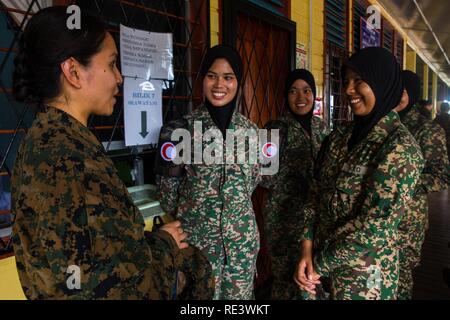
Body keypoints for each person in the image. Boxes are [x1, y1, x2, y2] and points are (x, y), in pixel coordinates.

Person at [11, 6, 213, 299]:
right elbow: (121, 287)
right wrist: (166, 245)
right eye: (112, 64)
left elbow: (94, 257)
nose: (119, 77)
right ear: (74, 71)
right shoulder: (72, 159)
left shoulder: (47, 141)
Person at [294, 47, 424, 300]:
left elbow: (376, 227)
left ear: (382, 83)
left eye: (359, 81)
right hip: (317, 270)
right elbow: (314, 192)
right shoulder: (340, 136)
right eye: (347, 82)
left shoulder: (399, 147)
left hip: (364, 280)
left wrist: (318, 265)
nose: (349, 90)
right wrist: (306, 247)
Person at [156, 44, 261, 299]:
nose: (219, 84)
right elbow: (167, 197)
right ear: (202, 79)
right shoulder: (180, 130)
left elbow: (253, 182)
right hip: (198, 251)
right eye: (212, 75)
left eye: (228, 77)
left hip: (242, 248)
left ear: (237, 82)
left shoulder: (251, 132)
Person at [259, 69, 328, 299]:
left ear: (314, 94)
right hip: (284, 217)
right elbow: (264, 177)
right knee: (286, 276)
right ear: (285, 96)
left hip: (316, 216)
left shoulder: (322, 128)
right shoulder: (274, 129)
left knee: (312, 278)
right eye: (293, 91)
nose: (301, 97)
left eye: (307, 91)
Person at [395, 70, 450, 299]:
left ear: (414, 94)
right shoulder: (382, 122)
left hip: (409, 219)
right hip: (378, 216)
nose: (399, 95)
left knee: (401, 276)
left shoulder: (427, 129)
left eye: (404, 91)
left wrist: (404, 185)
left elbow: (441, 175)